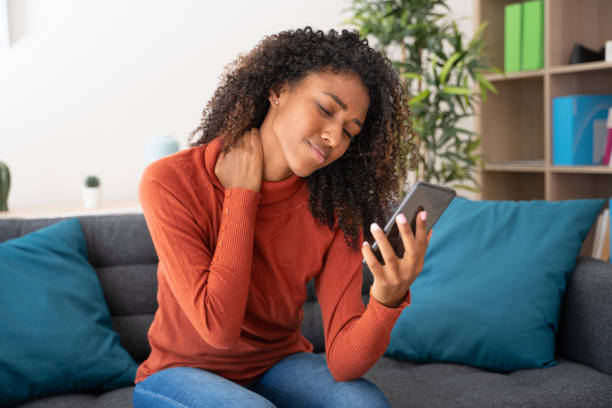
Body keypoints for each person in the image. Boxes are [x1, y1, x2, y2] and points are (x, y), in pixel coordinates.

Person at [132, 26, 433, 408]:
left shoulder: (336, 207)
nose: (334, 138)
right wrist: (242, 197)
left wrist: (386, 300)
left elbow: (343, 364)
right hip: (179, 373)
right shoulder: (171, 181)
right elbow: (218, 329)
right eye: (326, 110)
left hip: (278, 365)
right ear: (278, 90)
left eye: (349, 132)